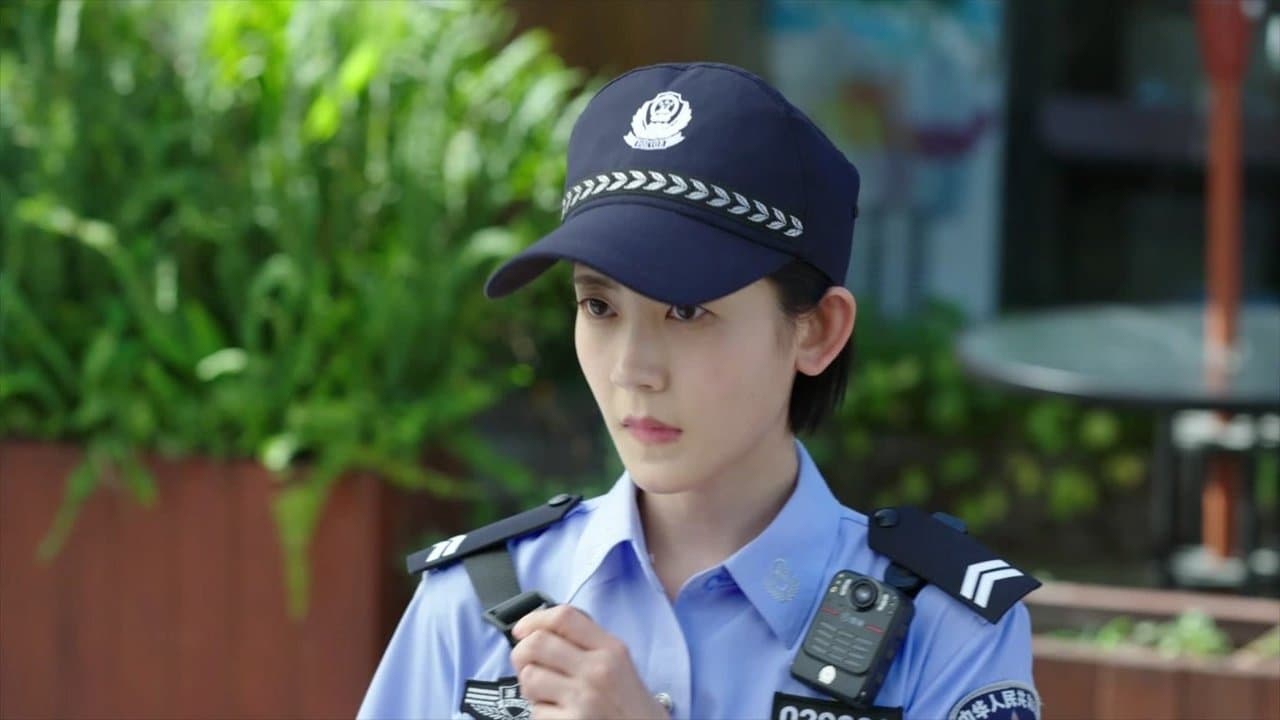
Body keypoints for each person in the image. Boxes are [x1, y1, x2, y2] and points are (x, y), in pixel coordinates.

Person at [358, 62, 1040, 720]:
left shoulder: (946, 631)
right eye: (599, 306)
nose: (632, 368)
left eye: (686, 311)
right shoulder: (470, 604)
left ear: (817, 330)